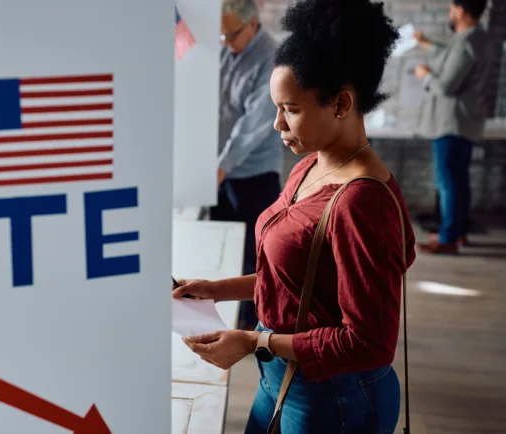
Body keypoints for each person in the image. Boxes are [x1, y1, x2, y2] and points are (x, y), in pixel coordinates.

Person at [172, 0, 417, 432]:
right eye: (276, 107)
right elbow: (297, 280)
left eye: (292, 109)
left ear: (341, 104)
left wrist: (254, 340)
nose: (277, 124)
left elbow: (369, 344)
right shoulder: (309, 166)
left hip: (333, 396)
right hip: (283, 376)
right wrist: (215, 290)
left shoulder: (361, 203)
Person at [212, 0, 283, 330]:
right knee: (223, 248)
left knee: (257, 255)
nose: (226, 42)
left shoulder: (272, 59)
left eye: (231, 35)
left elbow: (254, 124)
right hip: (220, 171)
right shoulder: (225, 50)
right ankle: (227, 320)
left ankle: (258, 326)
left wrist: (222, 164)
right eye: (222, 36)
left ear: (252, 24)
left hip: (255, 173)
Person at [413, 0, 490, 254]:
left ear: (461, 10)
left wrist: (425, 76)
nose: (450, 13)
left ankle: (448, 239)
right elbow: (450, 54)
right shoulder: (473, 38)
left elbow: (446, 86)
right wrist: (426, 43)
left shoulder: (468, 42)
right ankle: (457, 232)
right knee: (458, 180)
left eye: (451, 8)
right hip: (462, 123)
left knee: (448, 182)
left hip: (452, 124)